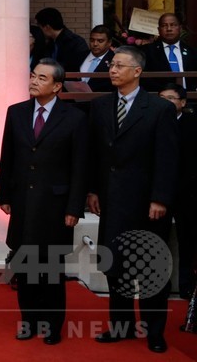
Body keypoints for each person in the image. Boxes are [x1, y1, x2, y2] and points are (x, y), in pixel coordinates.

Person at [87, 46, 178, 353]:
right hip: (112, 200)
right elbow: (95, 156)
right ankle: (121, 326)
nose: (112, 70)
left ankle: (155, 331)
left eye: (120, 66)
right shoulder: (99, 107)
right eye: (111, 65)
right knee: (116, 268)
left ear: (137, 72)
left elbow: (167, 159)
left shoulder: (158, 109)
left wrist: (160, 198)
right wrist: (93, 190)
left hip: (147, 204)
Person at [0, 59, 88, 345]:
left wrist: (74, 207)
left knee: (50, 268)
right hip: (23, 202)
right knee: (25, 267)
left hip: (56, 206)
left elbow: (79, 167)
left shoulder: (74, 118)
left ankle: (52, 324)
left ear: (57, 86)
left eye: (42, 77)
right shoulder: (16, 113)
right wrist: (5, 196)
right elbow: (8, 156)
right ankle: (29, 321)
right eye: (33, 75)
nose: (34, 81)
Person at [160, 83, 197, 301]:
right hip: (160, 194)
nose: (165, 102)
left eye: (170, 99)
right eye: (161, 98)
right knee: (158, 241)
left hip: (188, 194)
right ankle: (159, 288)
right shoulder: (152, 120)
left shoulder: (193, 123)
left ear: (182, 103)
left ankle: (186, 287)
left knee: (188, 242)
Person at [143, 13, 197, 91]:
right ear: (158, 30)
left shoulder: (192, 52)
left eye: (173, 25)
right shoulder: (147, 52)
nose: (169, 29)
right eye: (164, 25)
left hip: (190, 98)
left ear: (180, 28)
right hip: (159, 99)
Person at [35, 7, 89, 75]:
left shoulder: (76, 42)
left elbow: (76, 67)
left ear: (47, 27)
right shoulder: (49, 43)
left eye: (39, 27)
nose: (39, 31)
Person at [78, 25, 115, 93]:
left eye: (100, 41)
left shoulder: (114, 60)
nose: (95, 44)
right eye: (92, 40)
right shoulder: (79, 56)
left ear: (109, 42)